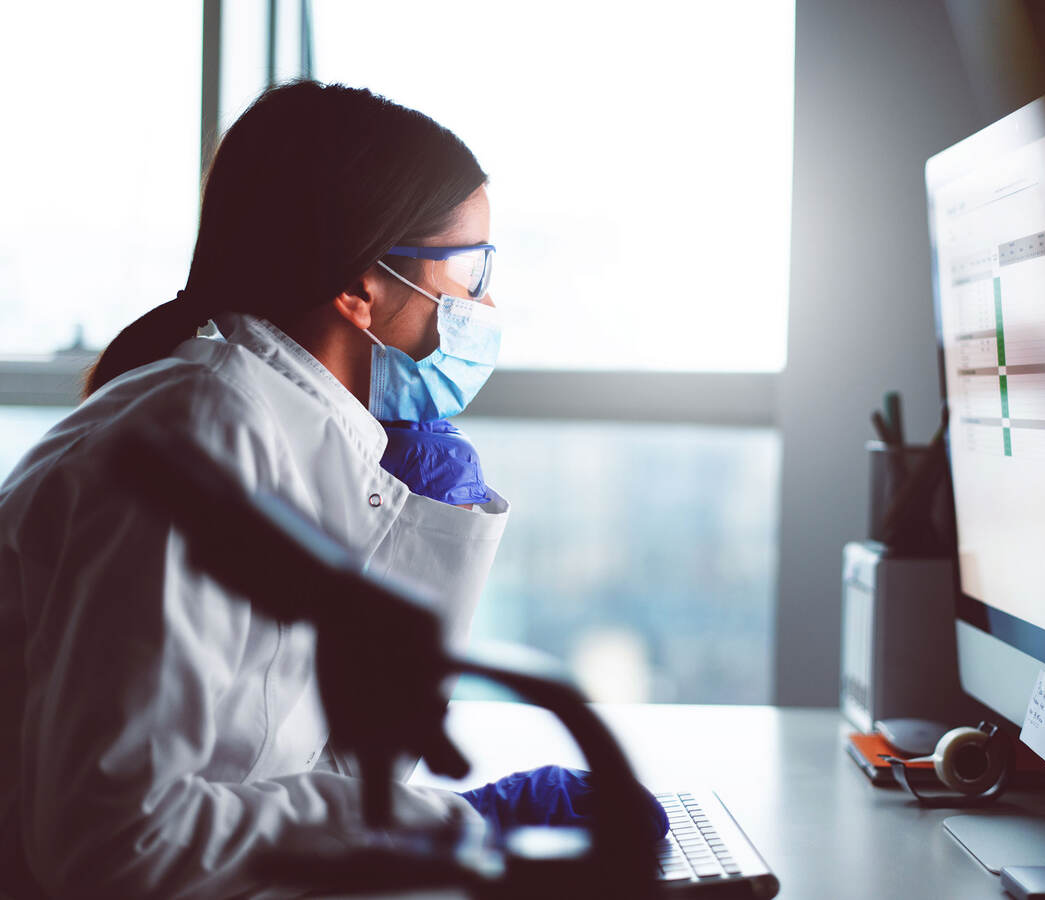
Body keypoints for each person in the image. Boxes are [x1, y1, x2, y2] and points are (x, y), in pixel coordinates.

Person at [0, 81, 662, 899]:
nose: (487, 306)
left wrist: (424, 539)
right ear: (363, 288)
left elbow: (327, 769)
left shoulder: (303, 440)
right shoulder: (201, 439)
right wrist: (461, 830)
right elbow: (118, 850)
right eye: (472, 270)